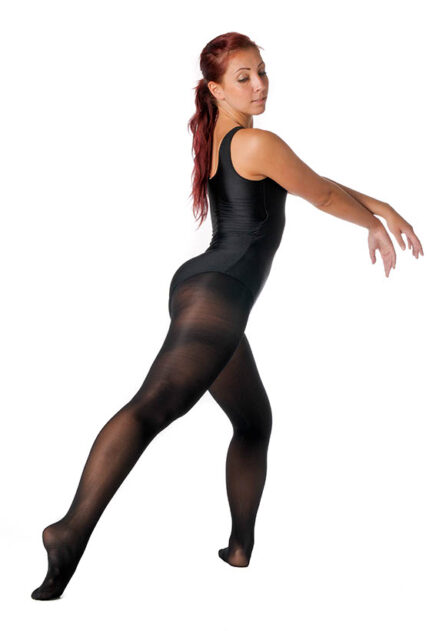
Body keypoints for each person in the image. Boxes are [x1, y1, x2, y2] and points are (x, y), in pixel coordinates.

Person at [31, 32, 423, 601]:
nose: (259, 85)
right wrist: (371, 223)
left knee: (253, 422)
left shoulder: (232, 135)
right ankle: (69, 530)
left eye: (262, 71)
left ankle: (239, 547)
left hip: (208, 291)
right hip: (217, 294)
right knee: (155, 406)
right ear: (216, 89)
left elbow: (312, 181)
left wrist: (381, 207)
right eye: (244, 77)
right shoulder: (255, 142)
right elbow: (321, 197)